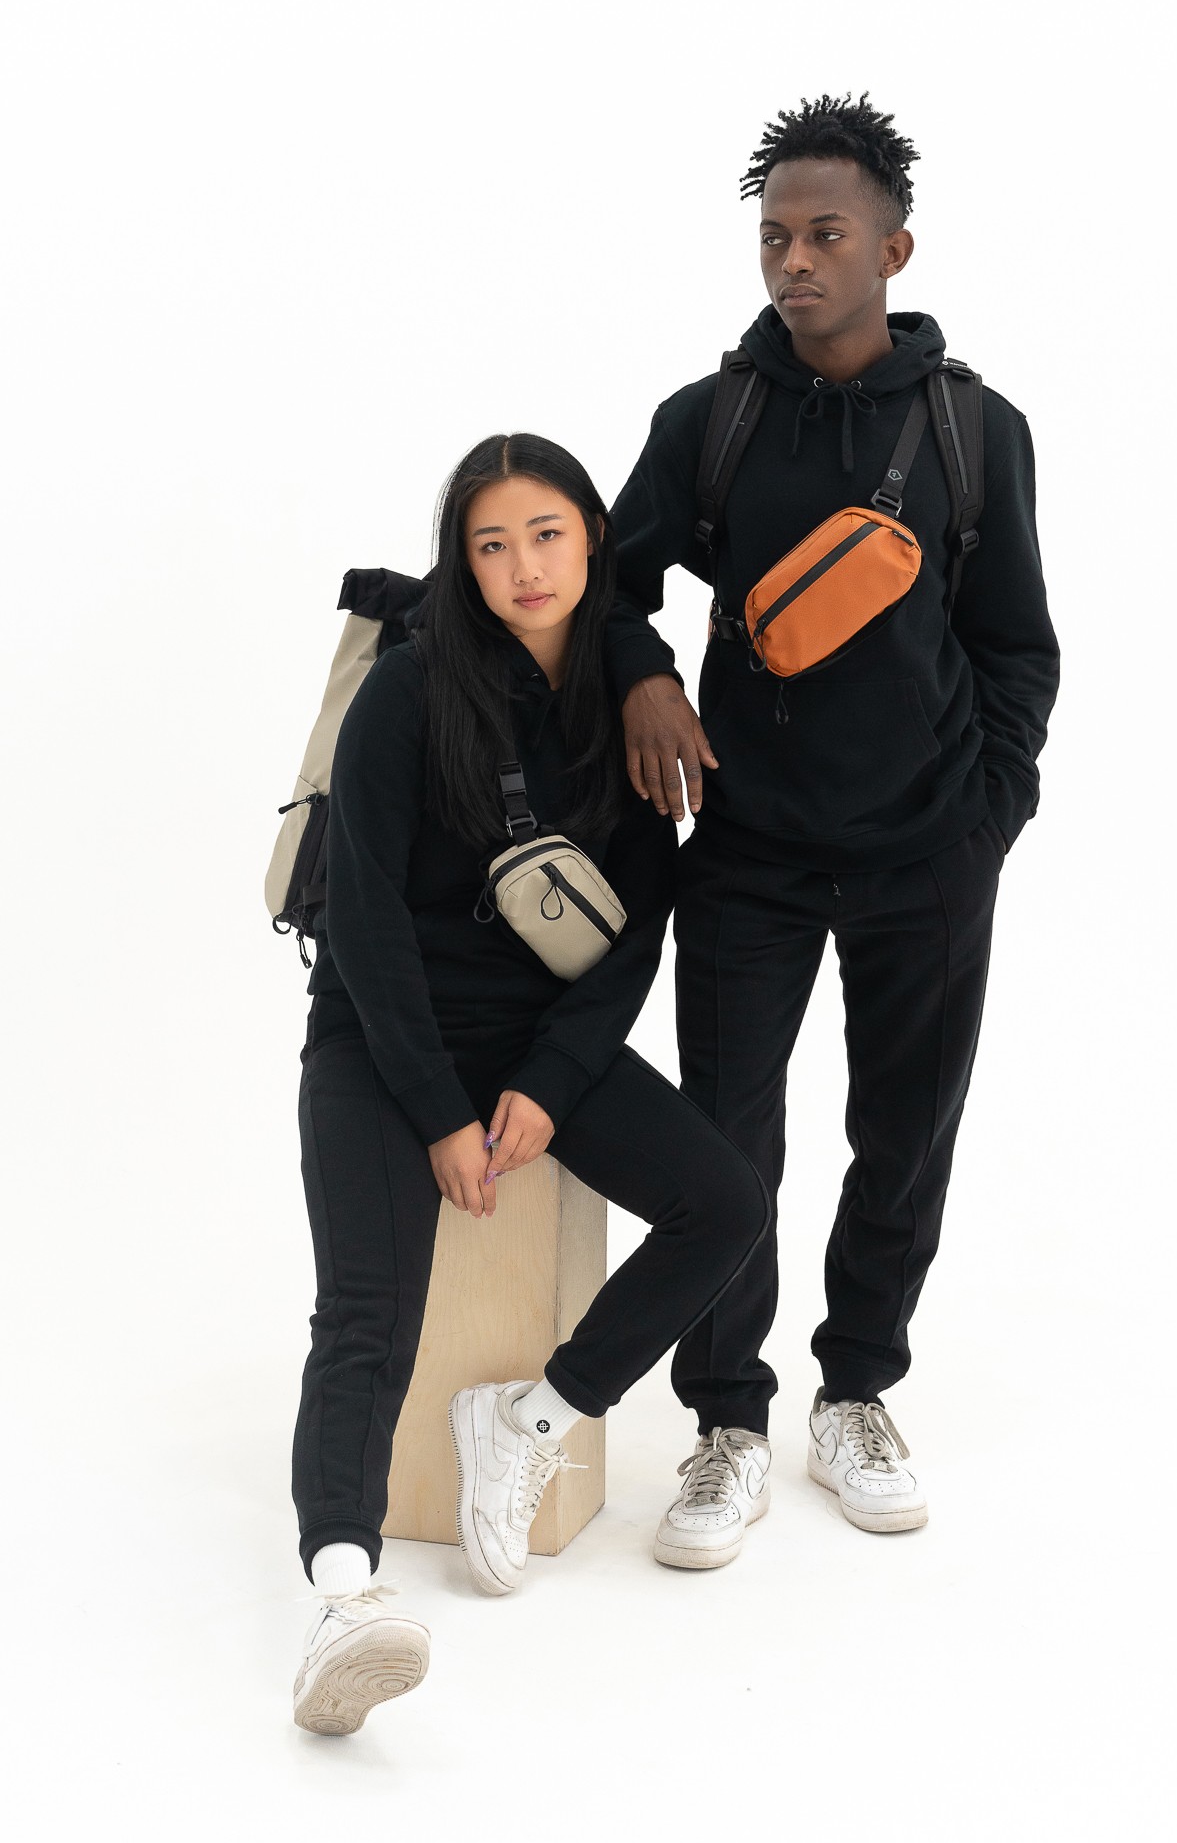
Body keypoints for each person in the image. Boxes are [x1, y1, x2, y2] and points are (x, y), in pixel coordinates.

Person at [601, 94, 1060, 1567]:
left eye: (825, 236)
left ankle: (856, 1392)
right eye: (774, 238)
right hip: (748, 853)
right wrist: (648, 675)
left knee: (903, 1133)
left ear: (892, 251)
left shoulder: (974, 431)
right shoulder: (712, 420)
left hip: (928, 856)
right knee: (726, 1145)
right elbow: (610, 585)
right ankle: (726, 1422)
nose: (793, 261)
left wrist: (986, 815)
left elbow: (1016, 647)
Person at [289, 433, 769, 1734]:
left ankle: (532, 1418)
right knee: (366, 1314)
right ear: (463, 561)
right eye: (490, 544)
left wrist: (550, 1085)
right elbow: (364, 922)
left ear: (593, 541)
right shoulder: (409, 689)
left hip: (538, 1036)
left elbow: (633, 932)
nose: (523, 567)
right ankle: (342, 1594)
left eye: (546, 535)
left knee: (726, 1205)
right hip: (379, 1037)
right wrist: (437, 1108)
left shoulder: (628, 707)